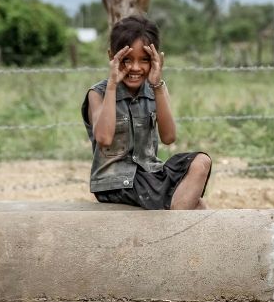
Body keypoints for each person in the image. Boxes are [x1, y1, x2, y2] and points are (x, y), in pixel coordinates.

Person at [81, 14, 211, 210]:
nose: (135, 67)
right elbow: (104, 138)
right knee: (196, 205)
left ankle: (175, 223)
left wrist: (157, 85)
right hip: (117, 182)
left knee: (201, 162)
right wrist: (112, 86)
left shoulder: (156, 89)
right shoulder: (98, 94)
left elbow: (169, 137)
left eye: (144, 60)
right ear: (112, 57)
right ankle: (174, 230)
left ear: (155, 59)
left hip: (150, 176)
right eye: (126, 60)